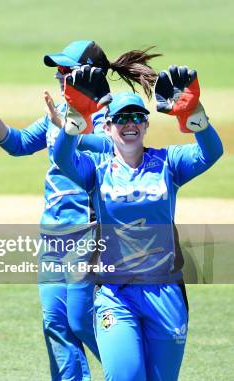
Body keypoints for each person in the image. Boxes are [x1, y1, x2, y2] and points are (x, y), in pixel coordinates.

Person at [0, 40, 160, 380]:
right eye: (58, 71)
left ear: (89, 74)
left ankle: (132, 368)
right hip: (52, 235)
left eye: (66, 70)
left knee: (82, 320)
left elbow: (116, 149)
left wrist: (71, 126)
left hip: (92, 233)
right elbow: (17, 144)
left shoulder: (113, 118)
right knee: (55, 323)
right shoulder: (61, 111)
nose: (60, 77)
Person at [52, 65, 223, 380]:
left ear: (145, 125)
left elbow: (211, 152)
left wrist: (195, 114)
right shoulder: (95, 169)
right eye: (121, 119)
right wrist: (74, 120)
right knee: (125, 375)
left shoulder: (169, 163)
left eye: (136, 118)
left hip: (165, 290)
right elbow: (62, 158)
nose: (129, 124)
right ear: (107, 127)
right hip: (115, 294)